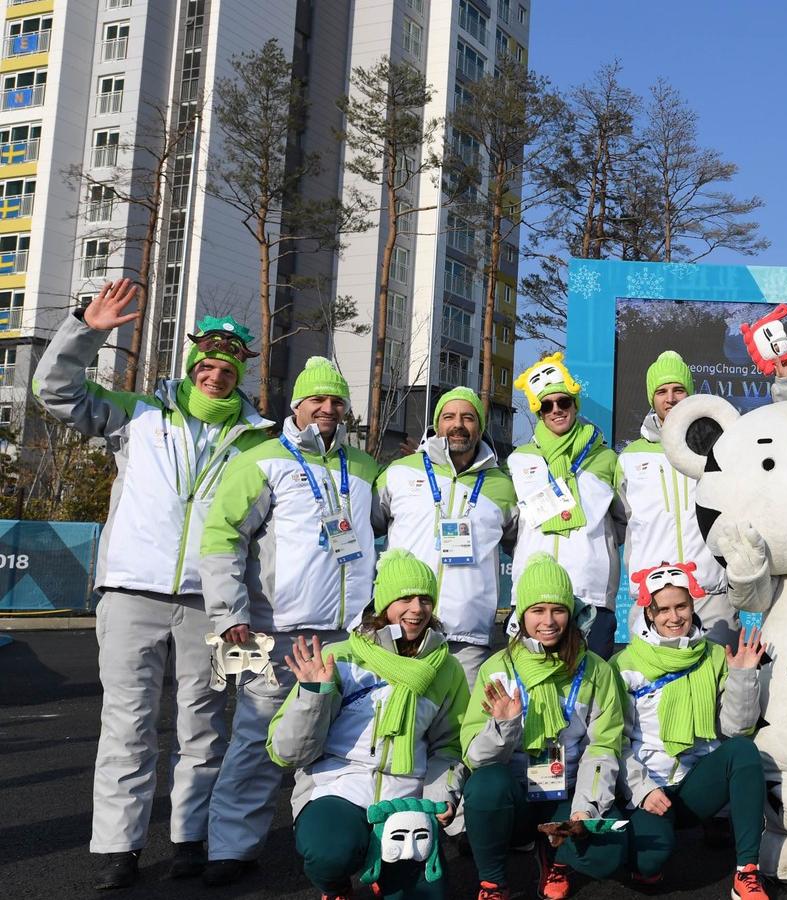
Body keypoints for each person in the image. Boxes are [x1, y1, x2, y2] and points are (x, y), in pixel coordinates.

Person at [31, 280, 275, 889]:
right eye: (207, 366)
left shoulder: (261, 438)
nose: (215, 376)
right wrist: (89, 329)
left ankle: (190, 836)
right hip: (130, 592)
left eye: (226, 367)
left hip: (215, 605)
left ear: (240, 371)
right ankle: (119, 846)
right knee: (128, 723)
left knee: (204, 724)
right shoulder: (137, 414)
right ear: (192, 367)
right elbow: (53, 391)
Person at [199, 355, 380, 885]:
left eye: (336, 401)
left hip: (345, 636)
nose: (327, 409)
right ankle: (230, 848)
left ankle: (328, 840)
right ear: (296, 406)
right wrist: (230, 613)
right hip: (273, 632)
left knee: (342, 742)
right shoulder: (260, 460)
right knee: (256, 738)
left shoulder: (364, 465)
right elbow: (222, 538)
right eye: (316, 400)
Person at [265, 549, 469, 900]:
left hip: (406, 798)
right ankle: (336, 884)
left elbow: (449, 747)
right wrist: (314, 693)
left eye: (425, 599)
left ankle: (385, 871)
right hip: (337, 787)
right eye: (404, 598)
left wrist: (439, 796)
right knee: (330, 853)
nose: (417, 609)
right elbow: (287, 753)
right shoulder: (341, 656)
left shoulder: (446, 669)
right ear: (383, 603)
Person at [459, 553, 629, 900]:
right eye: (537, 611)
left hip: (567, 792)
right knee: (485, 786)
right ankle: (493, 882)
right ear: (522, 616)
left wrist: (586, 807)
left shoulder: (596, 670)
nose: (548, 621)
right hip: (517, 796)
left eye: (558, 610)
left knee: (609, 851)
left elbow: (604, 745)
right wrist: (504, 726)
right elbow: (474, 756)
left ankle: (557, 858)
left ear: (572, 611)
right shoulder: (497, 668)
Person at [619, 350, 787, 646]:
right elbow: (623, 522)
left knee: (719, 686)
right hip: (652, 600)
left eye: (678, 390)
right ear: (651, 398)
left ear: (689, 394)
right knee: (653, 689)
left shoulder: (719, 446)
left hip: (710, 594)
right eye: (662, 391)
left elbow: (777, 434)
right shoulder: (629, 457)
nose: (671, 398)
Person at [612, 563, 769, 899]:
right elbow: (614, 742)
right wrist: (641, 789)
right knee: (650, 863)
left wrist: (742, 676)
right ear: (649, 612)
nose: (674, 617)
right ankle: (641, 857)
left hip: (696, 785)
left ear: (693, 606)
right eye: (663, 609)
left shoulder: (714, 654)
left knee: (742, 752)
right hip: (650, 789)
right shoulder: (624, 664)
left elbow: (737, 728)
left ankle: (747, 872)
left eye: (681, 606)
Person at [374, 386, 517, 685]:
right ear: (437, 424)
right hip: (403, 631)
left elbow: (522, 544)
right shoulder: (399, 473)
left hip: (468, 639)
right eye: (449, 416)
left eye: (468, 417)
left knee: (460, 728)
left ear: (479, 426)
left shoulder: (502, 486)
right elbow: (367, 528)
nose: (458, 425)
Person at [508, 354, 625, 658]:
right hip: (534, 595)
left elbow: (622, 521)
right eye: (547, 405)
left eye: (564, 402)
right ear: (538, 411)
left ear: (575, 404)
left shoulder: (606, 459)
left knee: (591, 689)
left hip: (590, 593)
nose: (556, 410)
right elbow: (511, 525)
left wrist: (597, 549)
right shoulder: (519, 460)